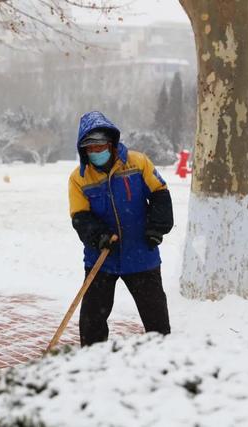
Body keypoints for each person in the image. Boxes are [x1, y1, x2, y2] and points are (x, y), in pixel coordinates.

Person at [68, 111, 174, 346]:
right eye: (90, 148)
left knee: (156, 319)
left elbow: (160, 194)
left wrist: (157, 227)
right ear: (83, 150)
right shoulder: (79, 178)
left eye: (100, 146)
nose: (96, 152)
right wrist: (98, 236)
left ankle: (163, 357)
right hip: (101, 258)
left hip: (141, 254)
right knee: (92, 321)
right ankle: (93, 360)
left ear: (111, 143)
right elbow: (80, 215)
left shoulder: (138, 163)